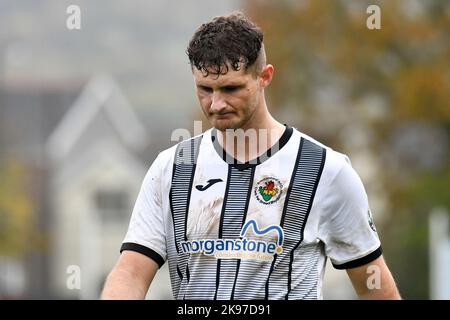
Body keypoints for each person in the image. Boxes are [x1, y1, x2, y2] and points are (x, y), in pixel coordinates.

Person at [101, 11, 401, 300]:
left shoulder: (327, 171)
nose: (216, 104)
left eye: (231, 88)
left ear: (265, 77)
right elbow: (131, 273)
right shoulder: (170, 169)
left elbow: (373, 286)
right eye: (205, 89)